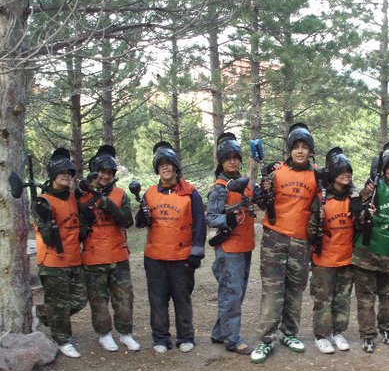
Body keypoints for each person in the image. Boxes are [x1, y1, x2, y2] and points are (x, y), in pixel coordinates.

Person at [251, 123, 318, 363]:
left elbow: (321, 206)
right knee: (272, 290)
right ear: (289, 150)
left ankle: (289, 333)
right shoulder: (276, 173)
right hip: (274, 238)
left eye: (304, 147)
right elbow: (262, 202)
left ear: (310, 151)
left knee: (295, 289)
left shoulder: (317, 176)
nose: (300, 151)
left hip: (301, 241)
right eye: (296, 147)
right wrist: (263, 191)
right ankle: (266, 339)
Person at [135, 141, 206, 354]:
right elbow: (141, 223)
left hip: (181, 257)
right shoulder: (149, 194)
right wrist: (142, 215)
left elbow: (200, 224)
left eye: (168, 163)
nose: (165, 167)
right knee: (157, 299)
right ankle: (160, 338)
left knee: (182, 298)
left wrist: (196, 252)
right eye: (161, 164)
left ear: (175, 167)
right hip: (155, 257)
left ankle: (186, 337)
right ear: (157, 169)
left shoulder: (190, 193)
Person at [78, 145, 140, 353]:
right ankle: (104, 334)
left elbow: (127, 221)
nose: (105, 176)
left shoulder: (120, 194)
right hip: (93, 256)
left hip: (118, 255)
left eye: (109, 173)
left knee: (124, 297)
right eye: (102, 172)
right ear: (94, 172)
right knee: (98, 299)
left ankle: (125, 333)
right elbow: (77, 228)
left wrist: (108, 205)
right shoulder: (81, 196)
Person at [206, 133, 259, 355]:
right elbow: (210, 217)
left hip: (245, 246)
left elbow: (260, 198)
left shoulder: (247, 183)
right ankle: (232, 339)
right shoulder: (219, 188)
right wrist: (226, 219)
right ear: (221, 161)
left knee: (237, 292)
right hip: (229, 249)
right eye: (228, 158)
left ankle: (220, 332)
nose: (232, 161)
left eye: (236, 157)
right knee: (232, 294)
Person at [31, 148, 87, 358]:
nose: (66, 176)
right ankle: (62, 340)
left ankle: (40, 312)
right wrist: (45, 219)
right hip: (52, 261)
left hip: (74, 258)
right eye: (62, 172)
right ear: (53, 175)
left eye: (69, 173)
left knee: (80, 300)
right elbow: (47, 237)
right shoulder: (42, 201)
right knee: (60, 304)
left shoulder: (72, 197)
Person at [352, 142, 389, 353]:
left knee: (387, 296)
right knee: (366, 298)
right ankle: (367, 335)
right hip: (366, 253)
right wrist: (365, 208)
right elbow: (357, 214)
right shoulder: (373, 187)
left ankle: (387, 329)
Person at [308, 148, 361, 354]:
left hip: (346, 258)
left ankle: (337, 332)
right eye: (341, 170)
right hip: (324, 259)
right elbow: (311, 228)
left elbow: (360, 226)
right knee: (323, 299)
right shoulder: (321, 199)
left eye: (348, 171)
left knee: (342, 299)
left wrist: (362, 213)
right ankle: (321, 336)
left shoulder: (354, 198)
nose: (346, 174)